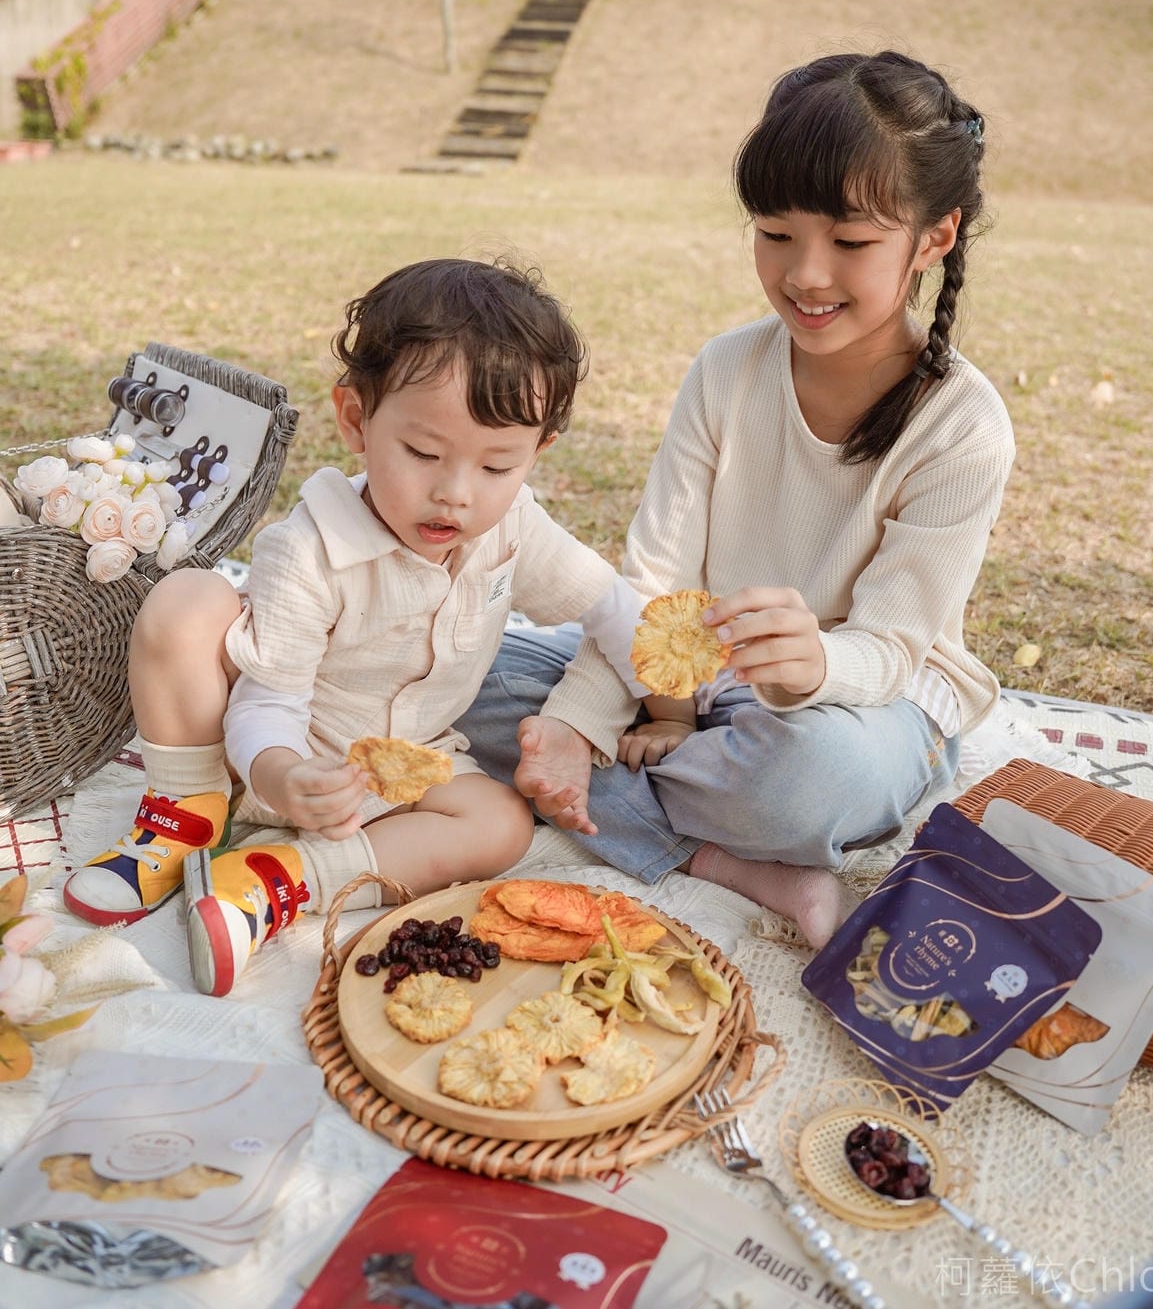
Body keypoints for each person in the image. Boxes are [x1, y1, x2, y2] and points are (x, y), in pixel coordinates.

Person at [458, 51, 1016, 949]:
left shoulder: (964, 425)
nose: (806, 273)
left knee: (810, 782)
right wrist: (582, 721)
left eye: (851, 242)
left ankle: (664, 811)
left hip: (860, 708)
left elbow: (894, 647)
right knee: (445, 667)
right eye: (776, 232)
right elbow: (651, 579)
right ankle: (728, 861)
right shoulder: (727, 370)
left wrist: (811, 670)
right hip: (686, 684)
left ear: (935, 236)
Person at [64, 259, 641, 996]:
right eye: (424, 454)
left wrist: (677, 690)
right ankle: (183, 817)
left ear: (536, 454)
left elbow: (609, 604)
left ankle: (276, 879)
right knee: (188, 603)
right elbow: (267, 699)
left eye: (498, 465)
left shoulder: (515, 528)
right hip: (276, 753)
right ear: (356, 420)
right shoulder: (312, 548)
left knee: (501, 823)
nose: (455, 493)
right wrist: (279, 771)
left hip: (410, 764)